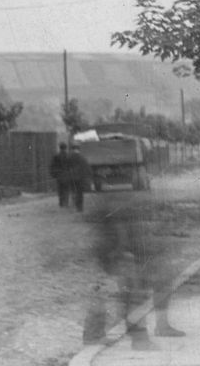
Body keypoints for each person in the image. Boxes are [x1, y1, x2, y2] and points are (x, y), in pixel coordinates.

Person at [82, 181, 185, 347]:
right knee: (128, 295)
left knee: (120, 293)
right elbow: (119, 235)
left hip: (119, 253)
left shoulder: (116, 207)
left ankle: (97, 335)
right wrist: (123, 252)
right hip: (116, 254)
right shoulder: (116, 209)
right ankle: (138, 339)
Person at [50, 142, 76, 209]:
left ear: (60, 148)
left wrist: (54, 175)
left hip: (59, 175)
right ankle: (66, 203)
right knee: (66, 189)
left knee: (60, 189)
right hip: (67, 175)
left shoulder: (56, 156)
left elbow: (53, 166)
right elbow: (72, 166)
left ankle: (61, 203)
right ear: (65, 148)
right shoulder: (69, 156)